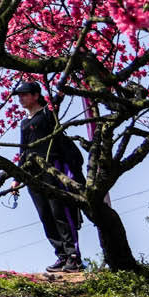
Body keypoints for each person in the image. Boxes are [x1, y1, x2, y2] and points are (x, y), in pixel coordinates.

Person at [13, 81, 86, 272]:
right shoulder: (24, 123)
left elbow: (57, 101)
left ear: (36, 95)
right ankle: (61, 255)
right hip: (32, 173)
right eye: (19, 95)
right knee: (45, 215)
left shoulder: (47, 114)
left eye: (24, 94)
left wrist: (64, 85)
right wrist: (17, 176)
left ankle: (73, 256)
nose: (21, 98)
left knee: (59, 212)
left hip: (52, 169)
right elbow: (23, 149)